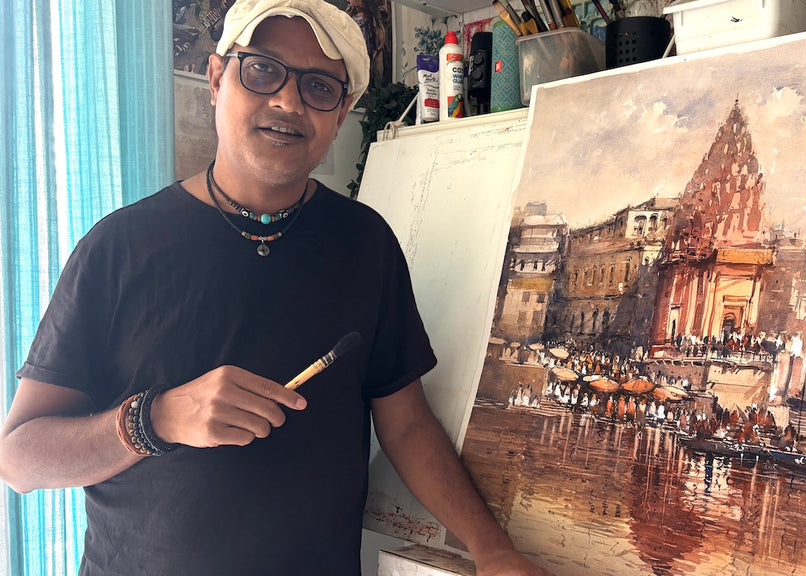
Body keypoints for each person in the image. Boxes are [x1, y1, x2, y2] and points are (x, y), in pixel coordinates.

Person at [0, 1, 550, 575]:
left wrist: (491, 550)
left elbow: (406, 424)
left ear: (341, 114)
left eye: (320, 87)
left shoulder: (365, 243)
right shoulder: (118, 247)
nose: (289, 102)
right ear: (217, 79)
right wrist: (156, 419)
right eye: (262, 69)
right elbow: (19, 460)